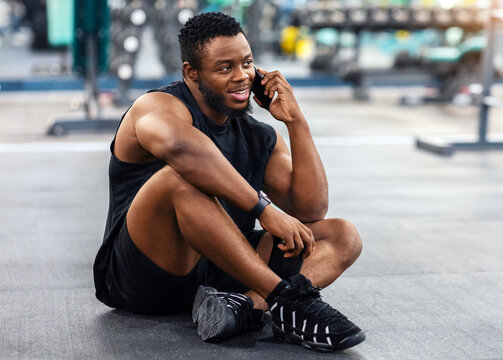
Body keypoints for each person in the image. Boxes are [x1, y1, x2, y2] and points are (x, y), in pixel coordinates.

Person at [93, 11, 365, 351]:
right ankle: (286, 301)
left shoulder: (257, 135)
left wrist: (296, 121)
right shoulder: (156, 107)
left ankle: (245, 308)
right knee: (180, 179)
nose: (242, 77)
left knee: (342, 235)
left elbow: (310, 208)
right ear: (191, 72)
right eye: (225, 68)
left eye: (247, 63)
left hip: (220, 276)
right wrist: (264, 209)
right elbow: (182, 148)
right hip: (143, 278)